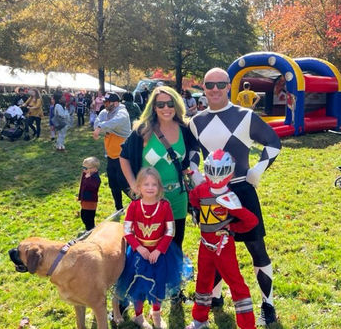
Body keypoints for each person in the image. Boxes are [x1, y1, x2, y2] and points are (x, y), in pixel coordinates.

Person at [189, 67, 281, 325]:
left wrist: (257, 169)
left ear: (229, 86)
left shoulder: (246, 116)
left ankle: (268, 305)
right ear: (204, 88)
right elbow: (192, 151)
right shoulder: (195, 122)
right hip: (211, 193)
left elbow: (273, 143)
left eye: (220, 84)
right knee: (214, 246)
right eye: (210, 85)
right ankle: (215, 297)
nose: (215, 89)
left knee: (256, 248)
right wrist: (195, 172)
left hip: (241, 189)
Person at [119, 86, 198, 250]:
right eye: (160, 105)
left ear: (176, 105)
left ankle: (172, 275)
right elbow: (124, 157)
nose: (166, 108)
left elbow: (192, 155)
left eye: (170, 104)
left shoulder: (185, 129)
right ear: (154, 107)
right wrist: (134, 185)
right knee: (149, 246)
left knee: (175, 245)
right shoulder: (143, 130)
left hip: (177, 197)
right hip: (150, 199)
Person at [186, 149, 258, 329]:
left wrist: (232, 228)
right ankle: (200, 319)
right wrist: (195, 210)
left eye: (220, 172)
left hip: (223, 246)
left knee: (236, 284)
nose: (216, 177)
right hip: (205, 245)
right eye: (213, 171)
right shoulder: (202, 189)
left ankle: (247, 325)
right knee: (202, 281)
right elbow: (194, 198)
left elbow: (251, 220)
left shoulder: (229, 197)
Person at [115, 167, 183, 329]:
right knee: (139, 285)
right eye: (146, 184)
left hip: (161, 254)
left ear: (159, 187)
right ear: (138, 187)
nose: (150, 187)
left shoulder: (165, 206)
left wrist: (158, 250)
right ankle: (138, 316)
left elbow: (170, 231)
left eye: (154, 184)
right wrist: (140, 248)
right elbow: (127, 231)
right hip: (138, 255)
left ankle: (156, 313)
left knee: (158, 283)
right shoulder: (134, 206)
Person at [93, 92, 131, 211]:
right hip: (111, 154)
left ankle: (140, 202)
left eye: (107, 102)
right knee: (113, 184)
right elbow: (96, 123)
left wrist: (101, 127)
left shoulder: (122, 112)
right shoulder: (105, 112)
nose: (104, 104)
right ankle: (118, 208)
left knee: (124, 183)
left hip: (123, 156)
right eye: (104, 101)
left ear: (115, 103)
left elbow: (116, 122)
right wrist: (101, 126)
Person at [78, 156, 101, 231]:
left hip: (91, 201)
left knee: (89, 217)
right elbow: (82, 185)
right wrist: (80, 196)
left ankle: (90, 230)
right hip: (84, 199)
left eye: (86, 168)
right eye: (83, 167)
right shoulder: (86, 174)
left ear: (94, 169)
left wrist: (88, 179)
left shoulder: (95, 178)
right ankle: (88, 229)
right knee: (83, 215)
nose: (83, 170)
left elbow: (93, 188)